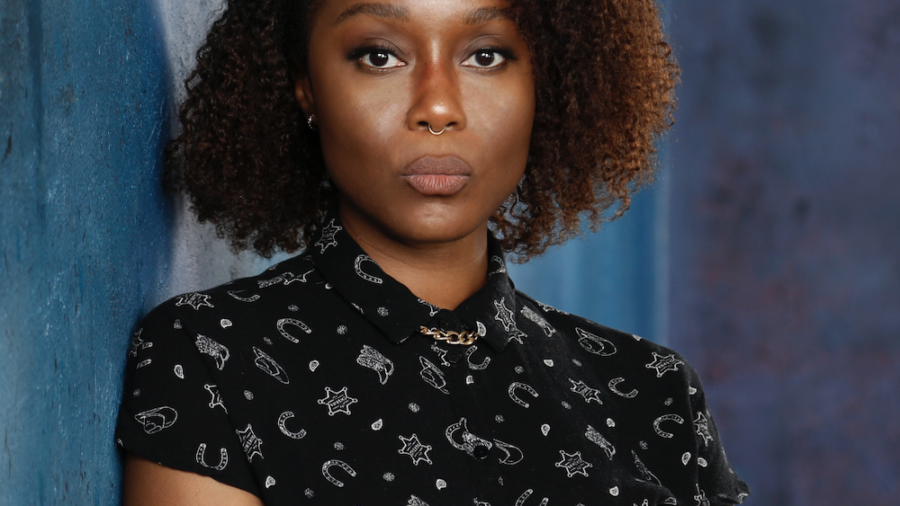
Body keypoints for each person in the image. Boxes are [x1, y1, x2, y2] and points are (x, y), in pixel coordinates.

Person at [116, 0, 751, 504]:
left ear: (545, 82)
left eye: (486, 55)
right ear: (305, 85)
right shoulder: (211, 356)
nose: (439, 106)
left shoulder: (651, 391)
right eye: (378, 55)